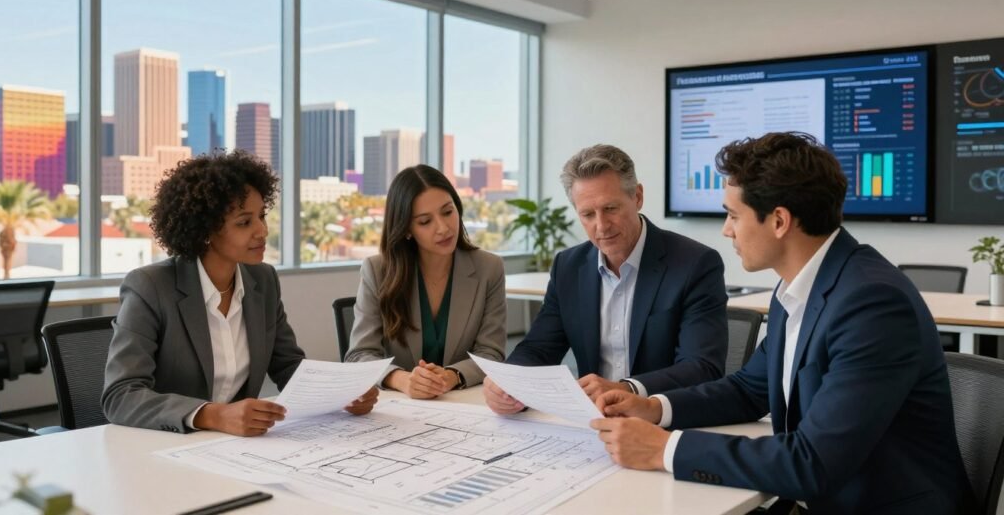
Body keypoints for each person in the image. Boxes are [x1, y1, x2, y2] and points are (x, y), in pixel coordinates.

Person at [591, 133, 974, 514]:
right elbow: (749, 389)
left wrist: (664, 449)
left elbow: (814, 462)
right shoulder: (798, 285)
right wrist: (654, 408)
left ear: (779, 221)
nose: (727, 230)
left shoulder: (872, 304)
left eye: (733, 215)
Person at [102, 150, 378, 436]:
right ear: (205, 230)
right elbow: (121, 395)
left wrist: (340, 393)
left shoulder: (263, 280)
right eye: (244, 222)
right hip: (162, 445)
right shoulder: (151, 286)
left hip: (235, 447)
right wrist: (214, 415)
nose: (262, 230)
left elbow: (288, 366)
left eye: (262, 216)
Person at [484, 144, 728, 415]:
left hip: (662, 421)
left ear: (637, 197)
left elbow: (702, 367)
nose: (601, 226)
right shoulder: (569, 266)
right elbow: (539, 348)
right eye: (588, 214)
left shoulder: (695, 263)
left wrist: (629, 388)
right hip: (593, 422)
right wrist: (508, 382)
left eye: (610, 208)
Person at [345, 164, 507, 399]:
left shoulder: (489, 268)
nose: (443, 228)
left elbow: (492, 352)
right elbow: (359, 355)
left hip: (463, 404)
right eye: (424, 221)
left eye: (447, 212)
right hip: (398, 409)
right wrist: (400, 379)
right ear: (406, 229)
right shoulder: (377, 270)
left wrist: (452, 376)